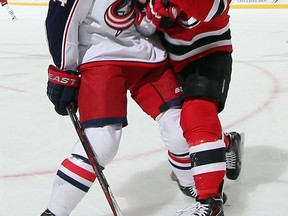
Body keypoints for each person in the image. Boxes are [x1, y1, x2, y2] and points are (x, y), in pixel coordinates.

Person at [40, 0, 243, 215]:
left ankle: (199, 186)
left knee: (180, 128)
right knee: (101, 142)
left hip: (149, 56)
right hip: (102, 59)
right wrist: (64, 70)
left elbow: (150, 23)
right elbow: (61, 21)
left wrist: (158, 12)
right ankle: (54, 211)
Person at [145, 0, 244, 215]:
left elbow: (208, 9)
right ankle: (226, 143)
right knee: (179, 128)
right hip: (169, 59)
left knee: (197, 113)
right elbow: (153, 18)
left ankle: (210, 201)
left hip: (209, 53)